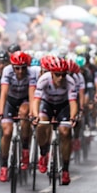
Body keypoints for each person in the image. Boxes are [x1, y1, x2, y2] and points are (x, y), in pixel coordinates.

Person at [33, 56, 78, 185]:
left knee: (65, 132)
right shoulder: (44, 79)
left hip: (63, 106)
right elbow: (36, 100)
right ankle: (43, 153)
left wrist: (73, 117)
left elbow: (73, 103)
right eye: (57, 75)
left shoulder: (70, 81)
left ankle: (65, 169)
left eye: (63, 75)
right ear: (52, 73)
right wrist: (35, 115)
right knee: (41, 124)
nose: (60, 78)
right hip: (47, 104)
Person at [0, 50, 36, 182]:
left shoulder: (31, 73)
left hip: (24, 99)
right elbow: (3, 92)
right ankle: (3, 166)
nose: (20, 71)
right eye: (17, 68)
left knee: (25, 113)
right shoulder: (7, 71)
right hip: (11, 101)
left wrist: (32, 112)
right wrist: (1, 112)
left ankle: (25, 148)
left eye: (23, 68)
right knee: (7, 132)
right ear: (12, 66)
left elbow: (32, 94)